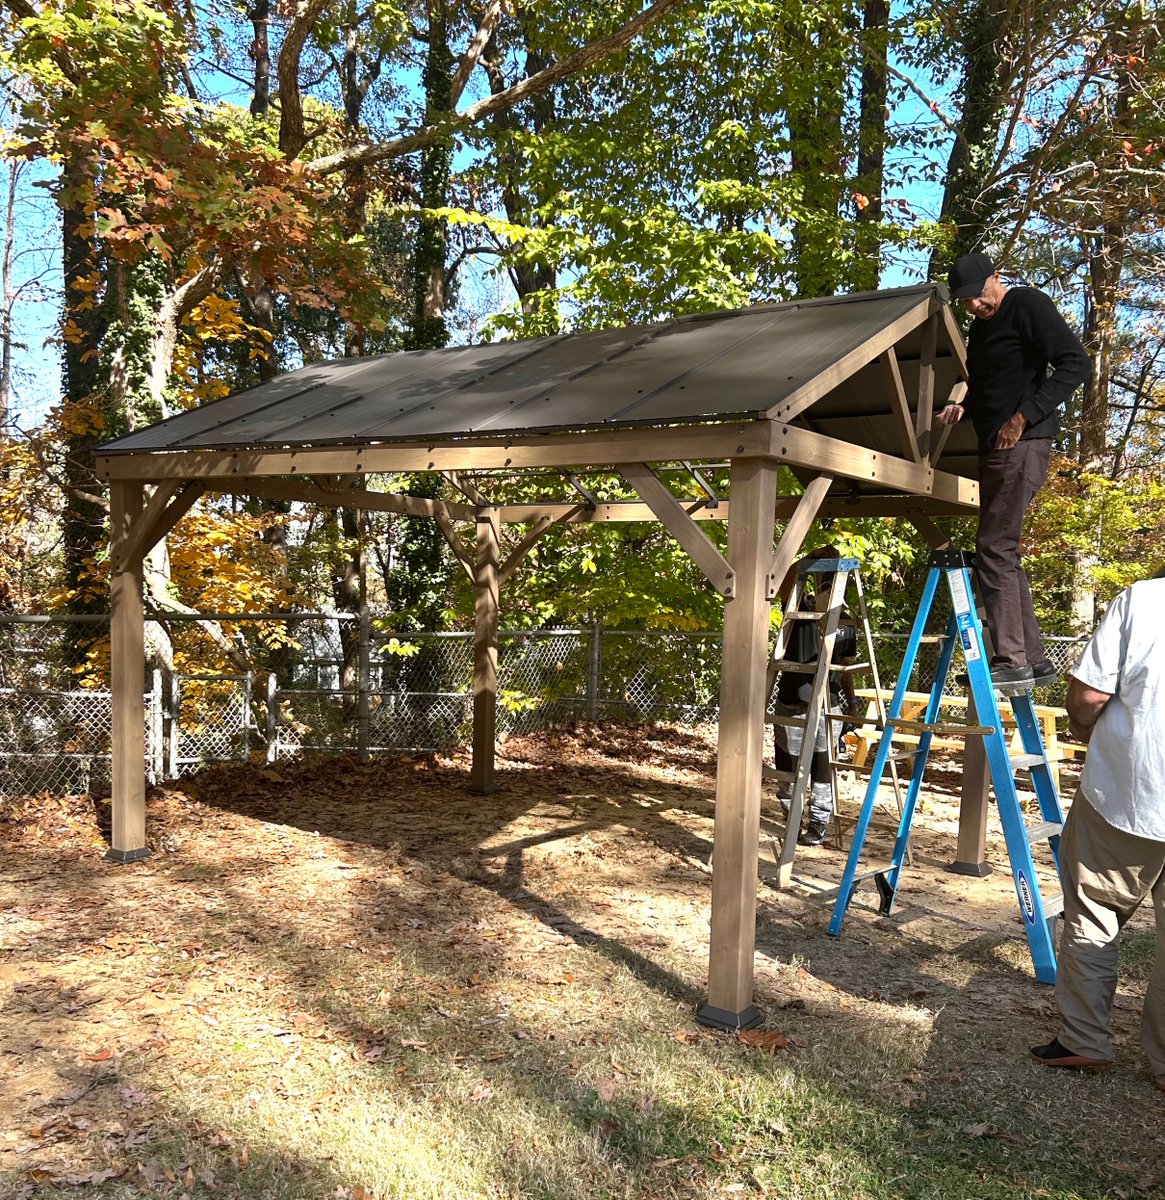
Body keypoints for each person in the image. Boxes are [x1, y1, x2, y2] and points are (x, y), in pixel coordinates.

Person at [1030, 571, 1165, 1093]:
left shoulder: (1145, 599)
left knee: (1094, 912)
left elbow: (1088, 694)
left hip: (1130, 793)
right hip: (1129, 793)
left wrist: (1081, 726)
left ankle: (1084, 1038)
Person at [935, 252, 1089, 691]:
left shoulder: (1026, 304)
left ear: (996, 277)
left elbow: (1076, 363)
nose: (974, 306)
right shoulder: (982, 328)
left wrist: (1023, 417)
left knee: (995, 548)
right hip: (995, 448)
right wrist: (963, 406)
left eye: (978, 296)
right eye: (965, 302)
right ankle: (1033, 660)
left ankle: (1010, 660)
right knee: (1002, 550)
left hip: (1022, 443)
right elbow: (991, 383)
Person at [772, 553, 859, 847]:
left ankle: (818, 823)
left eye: (833, 584)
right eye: (826, 582)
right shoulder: (801, 612)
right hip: (792, 704)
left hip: (827, 706)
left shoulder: (845, 622)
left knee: (822, 768)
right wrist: (809, 559)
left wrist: (853, 704)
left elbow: (845, 669)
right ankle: (792, 820)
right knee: (788, 768)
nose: (829, 590)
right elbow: (786, 581)